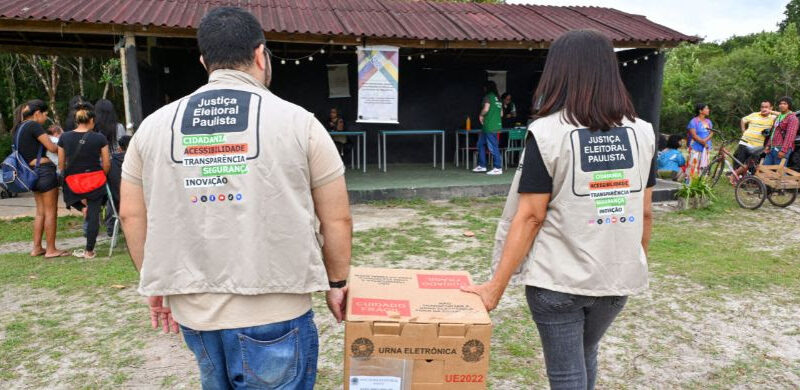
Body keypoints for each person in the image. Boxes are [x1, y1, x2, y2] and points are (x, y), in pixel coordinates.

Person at [119, 7, 352, 389]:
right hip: (278, 309)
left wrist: (157, 284)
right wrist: (337, 281)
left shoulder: (153, 127)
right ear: (261, 54)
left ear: (204, 61)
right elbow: (337, 218)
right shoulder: (300, 122)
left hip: (196, 314)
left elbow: (131, 215)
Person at [461, 29, 656, 390]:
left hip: (557, 282)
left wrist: (495, 287)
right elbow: (645, 212)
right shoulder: (643, 132)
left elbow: (531, 216)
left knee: (568, 373)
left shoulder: (547, 132)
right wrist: (631, 263)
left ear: (558, 72)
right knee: (586, 354)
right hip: (615, 281)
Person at [12, 100, 67, 258]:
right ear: (37, 114)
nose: (45, 118)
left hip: (31, 172)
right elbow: (52, 148)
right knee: (51, 212)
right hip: (44, 171)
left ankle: (37, 247)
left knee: (40, 212)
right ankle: (51, 249)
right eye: (45, 114)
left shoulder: (18, 128)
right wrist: (62, 142)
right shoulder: (34, 126)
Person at [58, 103, 111, 259]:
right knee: (94, 214)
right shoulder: (100, 138)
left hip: (74, 181)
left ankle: (81, 208)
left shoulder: (64, 137)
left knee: (68, 194)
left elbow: (61, 165)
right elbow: (106, 163)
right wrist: (103, 175)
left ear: (76, 120)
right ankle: (89, 251)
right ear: (92, 120)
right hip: (96, 179)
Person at [731, 101, 775, 183]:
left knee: (750, 163)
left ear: (771, 108)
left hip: (758, 146)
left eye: (766, 107)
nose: (764, 109)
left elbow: (787, 115)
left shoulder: (773, 117)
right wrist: (743, 130)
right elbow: (743, 120)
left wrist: (771, 112)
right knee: (739, 161)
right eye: (762, 107)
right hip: (745, 141)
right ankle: (737, 179)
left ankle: (742, 178)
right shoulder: (754, 114)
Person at [474, 80, 503, 175]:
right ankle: (482, 165)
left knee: (493, 146)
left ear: (487, 88)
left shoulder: (488, 97)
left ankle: (498, 168)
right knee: (480, 143)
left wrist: (481, 115)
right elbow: (501, 114)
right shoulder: (498, 99)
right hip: (494, 125)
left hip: (489, 125)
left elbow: (486, 109)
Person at [105, 135, 131, 236]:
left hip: (117, 202)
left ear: (119, 148)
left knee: (110, 196)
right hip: (139, 201)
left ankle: (111, 228)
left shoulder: (110, 163)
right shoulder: (139, 161)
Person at [764, 96, 798, 166]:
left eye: (785, 103)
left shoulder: (792, 118)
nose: (782, 105)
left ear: (789, 105)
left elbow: (790, 136)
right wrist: (768, 145)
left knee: (778, 173)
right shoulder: (778, 117)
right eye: (780, 103)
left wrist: (783, 151)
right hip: (772, 147)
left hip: (781, 148)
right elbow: (773, 132)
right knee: (764, 170)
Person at [686, 103, 713, 177]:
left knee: (704, 166)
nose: (708, 110)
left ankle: (701, 183)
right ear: (700, 111)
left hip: (706, 147)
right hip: (695, 147)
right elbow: (694, 136)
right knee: (693, 165)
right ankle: (690, 183)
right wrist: (704, 142)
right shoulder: (693, 121)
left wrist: (705, 141)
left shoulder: (708, 122)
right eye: (706, 108)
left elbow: (711, 133)